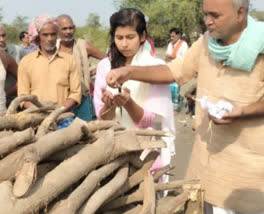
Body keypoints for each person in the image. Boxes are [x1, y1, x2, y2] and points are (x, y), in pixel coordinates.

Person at [106, 0, 264, 213]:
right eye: (206, 14)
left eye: (215, 15)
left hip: (246, 171)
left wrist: (242, 111)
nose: (207, 21)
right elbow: (173, 72)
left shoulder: (260, 46)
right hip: (205, 162)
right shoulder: (207, 43)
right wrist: (130, 72)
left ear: (240, 13)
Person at [94, 8, 175, 179]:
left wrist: (128, 103)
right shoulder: (105, 66)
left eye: (130, 37)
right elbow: (103, 119)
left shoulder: (155, 67)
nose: (124, 44)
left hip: (146, 152)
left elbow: (154, 120)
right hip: (113, 150)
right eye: (119, 37)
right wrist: (109, 106)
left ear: (142, 36)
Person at [18, 15, 81, 115]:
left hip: (62, 116)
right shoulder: (26, 62)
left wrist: (58, 111)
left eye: (53, 34)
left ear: (57, 36)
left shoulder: (69, 60)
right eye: (45, 35)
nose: (50, 38)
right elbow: (22, 96)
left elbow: (75, 93)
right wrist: (40, 112)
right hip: (35, 117)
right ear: (38, 37)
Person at [56, 14, 106, 122]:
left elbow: (106, 59)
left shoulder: (83, 46)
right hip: (60, 98)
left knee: (86, 132)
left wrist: (94, 71)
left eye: (71, 28)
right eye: (64, 29)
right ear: (57, 30)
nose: (68, 31)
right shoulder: (53, 48)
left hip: (81, 97)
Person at [0, 20, 19, 107]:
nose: (2, 40)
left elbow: (24, 79)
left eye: (3, 35)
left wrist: (5, 93)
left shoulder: (17, 50)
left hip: (17, 99)